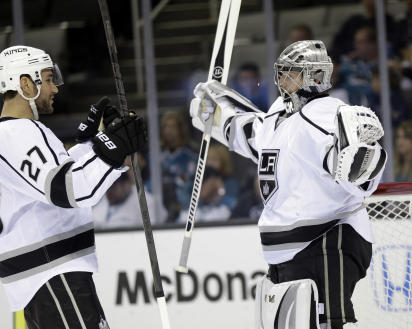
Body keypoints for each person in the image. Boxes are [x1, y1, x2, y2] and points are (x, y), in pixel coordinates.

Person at [189, 40, 386, 328]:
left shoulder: (328, 114)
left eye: (290, 73)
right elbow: (254, 135)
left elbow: (359, 176)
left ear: (314, 78)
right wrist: (217, 115)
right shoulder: (282, 113)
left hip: (326, 241)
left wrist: (359, 154)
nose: (281, 80)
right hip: (290, 250)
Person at [0, 45, 147, 328]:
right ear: (25, 83)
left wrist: (93, 145)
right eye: (48, 79)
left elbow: (45, 187)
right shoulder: (19, 132)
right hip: (54, 276)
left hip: (43, 280)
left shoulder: (4, 137)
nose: (55, 88)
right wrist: (112, 148)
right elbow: (69, 190)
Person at [177, 144, 239, 222]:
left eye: (214, 159)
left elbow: (232, 206)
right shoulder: (194, 180)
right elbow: (183, 200)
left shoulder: (230, 183)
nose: (209, 163)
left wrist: (221, 191)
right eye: (207, 159)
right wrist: (200, 196)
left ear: (223, 163)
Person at [93, 168, 167, 229]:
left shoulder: (146, 202)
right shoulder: (101, 200)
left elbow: (153, 232)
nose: (108, 192)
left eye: (112, 187)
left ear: (126, 184)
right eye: (106, 189)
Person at [160, 111, 197, 222]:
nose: (169, 131)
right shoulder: (156, 156)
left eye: (173, 127)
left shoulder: (191, 155)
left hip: (183, 206)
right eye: (166, 127)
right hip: (160, 203)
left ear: (180, 130)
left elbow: (190, 181)